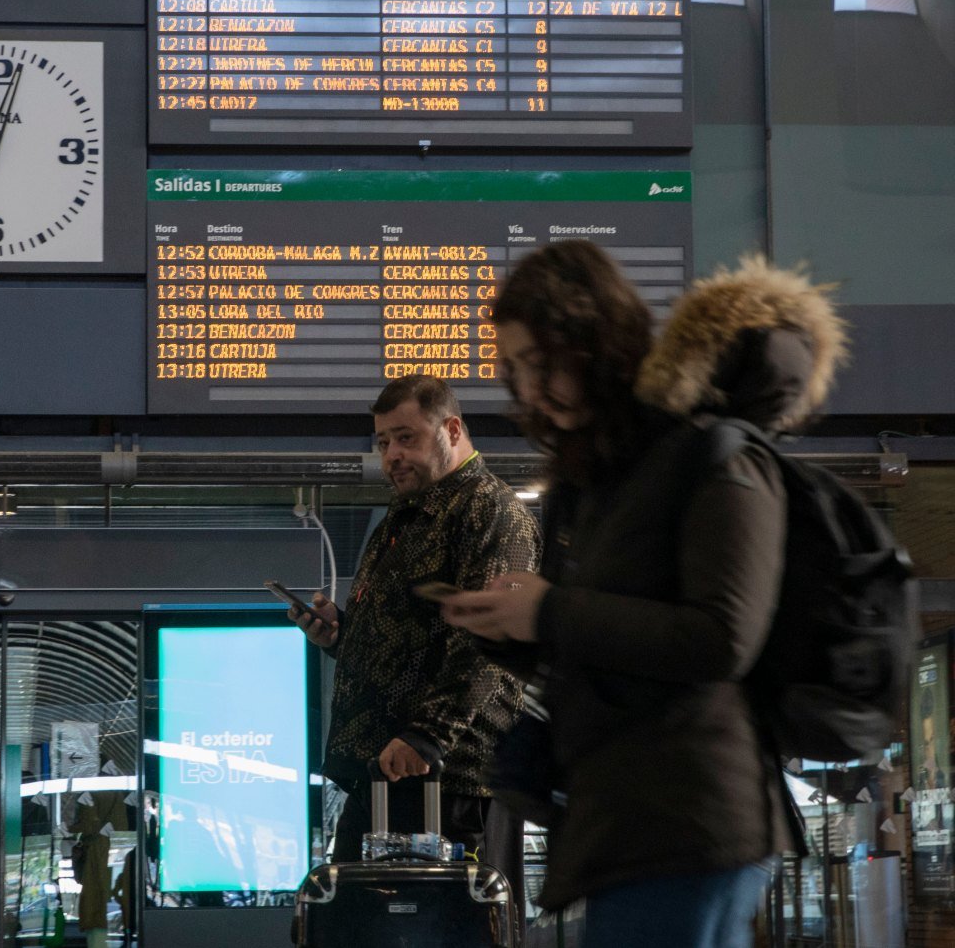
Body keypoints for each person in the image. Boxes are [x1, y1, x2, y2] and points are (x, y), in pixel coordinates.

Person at [441, 245, 828, 947]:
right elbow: (610, 652)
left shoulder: (710, 453)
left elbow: (721, 637)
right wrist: (514, 631)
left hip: (690, 820)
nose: (529, 390)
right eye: (515, 367)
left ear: (597, 340)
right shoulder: (595, 481)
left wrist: (549, 610)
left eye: (542, 360)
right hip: (631, 824)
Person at [291, 375, 539, 894]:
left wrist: (427, 735)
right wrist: (339, 634)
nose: (392, 455)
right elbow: (406, 640)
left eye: (407, 438)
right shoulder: (403, 520)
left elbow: (488, 639)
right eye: (383, 443)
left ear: (452, 429)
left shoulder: (488, 511)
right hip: (384, 776)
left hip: (452, 779)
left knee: (454, 925)